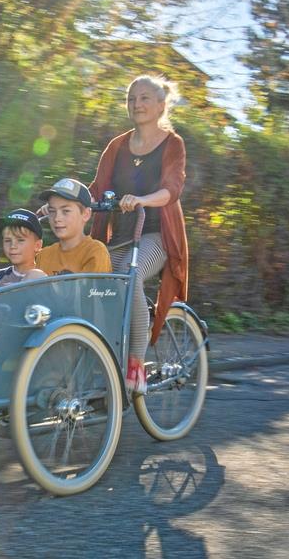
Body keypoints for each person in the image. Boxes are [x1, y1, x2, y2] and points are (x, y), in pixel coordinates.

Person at [88, 75, 189, 395]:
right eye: (132, 98)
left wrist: (143, 200)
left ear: (161, 105)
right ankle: (102, 358)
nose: (137, 104)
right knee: (93, 285)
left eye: (145, 98)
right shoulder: (116, 145)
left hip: (157, 234)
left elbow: (172, 189)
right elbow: (98, 188)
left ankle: (135, 363)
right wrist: (63, 204)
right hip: (119, 235)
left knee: (127, 276)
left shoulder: (173, 144)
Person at [34, 178, 111, 276]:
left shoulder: (95, 252)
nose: (57, 218)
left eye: (66, 211)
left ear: (86, 214)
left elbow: (88, 290)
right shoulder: (44, 255)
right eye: (52, 211)